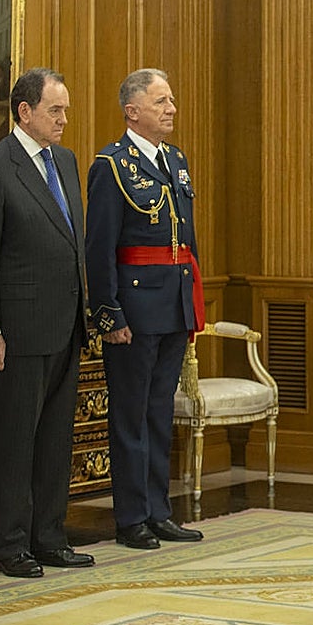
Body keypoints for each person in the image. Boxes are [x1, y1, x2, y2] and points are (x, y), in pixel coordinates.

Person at [0, 68, 93, 578]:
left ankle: (49, 538)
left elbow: (70, 242)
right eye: (55, 110)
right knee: (12, 442)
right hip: (14, 334)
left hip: (65, 327)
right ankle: (12, 546)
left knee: (53, 442)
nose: (64, 119)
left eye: (65, 110)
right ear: (25, 112)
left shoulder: (64, 161)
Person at [85, 68, 204, 551]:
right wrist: (109, 313)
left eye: (171, 100)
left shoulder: (175, 161)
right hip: (133, 308)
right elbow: (99, 247)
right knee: (131, 415)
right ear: (132, 111)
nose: (171, 109)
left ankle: (159, 511)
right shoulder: (112, 165)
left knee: (159, 414)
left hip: (173, 304)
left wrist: (189, 301)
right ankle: (131, 516)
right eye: (161, 102)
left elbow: (187, 240)